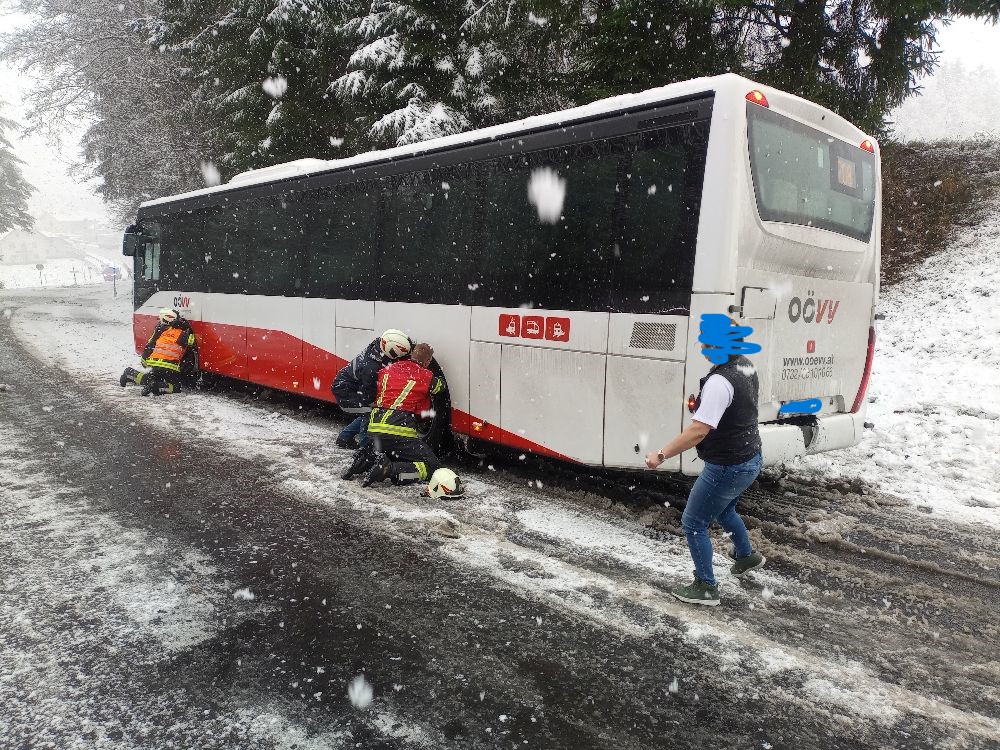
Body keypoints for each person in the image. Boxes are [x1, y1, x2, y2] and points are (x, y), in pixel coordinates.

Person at [645, 325, 765, 607]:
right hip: (750, 457)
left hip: (727, 465)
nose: (701, 348)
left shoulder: (719, 382)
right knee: (724, 510)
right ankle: (746, 556)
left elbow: (699, 430)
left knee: (693, 522)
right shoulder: (745, 365)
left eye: (706, 343)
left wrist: (661, 454)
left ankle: (706, 586)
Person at [342, 343, 448, 487]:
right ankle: (390, 470)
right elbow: (440, 387)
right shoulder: (425, 375)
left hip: (373, 429)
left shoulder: (388, 369)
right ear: (428, 361)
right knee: (433, 467)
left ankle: (364, 462)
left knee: (393, 452)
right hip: (398, 431)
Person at [331, 329, 412, 449]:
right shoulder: (371, 367)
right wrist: (374, 403)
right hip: (345, 392)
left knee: (366, 411)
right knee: (370, 413)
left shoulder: (378, 347)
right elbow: (367, 395)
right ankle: (365, 449)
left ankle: (344, 438)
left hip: (346, 387)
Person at [119, 308, 198, 396]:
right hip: (170, 366)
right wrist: (188, 327)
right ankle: (155, 387)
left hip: (154, 363)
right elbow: (192, 344)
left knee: (149, 379)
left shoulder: (160, 330)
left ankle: (130, 373)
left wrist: (144, 360)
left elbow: (150, 345)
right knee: (176, 387)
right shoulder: (183, 334)